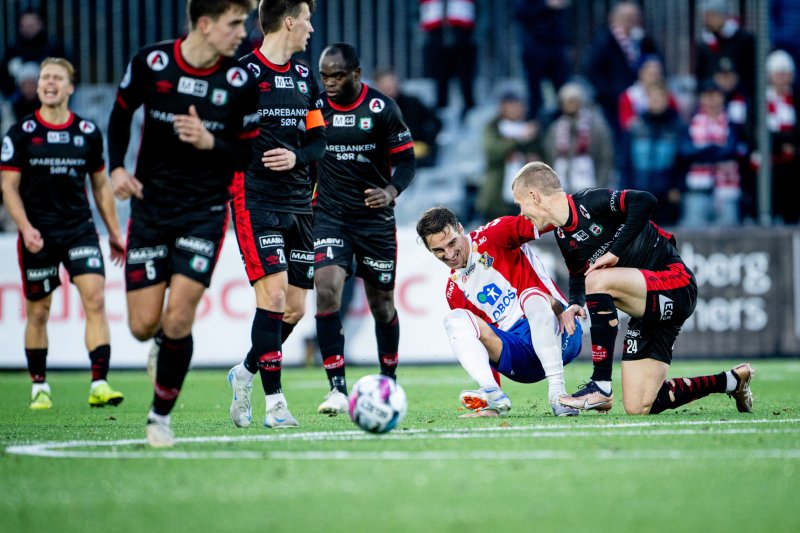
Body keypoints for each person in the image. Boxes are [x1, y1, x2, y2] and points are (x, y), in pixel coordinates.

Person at [107, 0, 260, 447]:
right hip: (151, 209)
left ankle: (160, 416)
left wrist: (211, 140)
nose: (241, 33)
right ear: (205, 24)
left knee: (179, 318)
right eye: (235, 24)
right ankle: (161, 345)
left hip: (205, 211)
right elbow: (120, 115)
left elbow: (246, 155)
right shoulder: (152, 62)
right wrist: (116, 168)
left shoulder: (238, 81)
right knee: (142, 325)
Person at [511, 161, 755, 415]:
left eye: (520, 205)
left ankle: (601, 386)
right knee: (639, 406)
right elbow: (578, 274)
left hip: (675, 284)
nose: (521, 214)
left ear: (534, 196)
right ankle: (732, 381)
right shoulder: (563, 234)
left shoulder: (588, 202)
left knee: (598, 280)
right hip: (646, 308)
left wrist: (615, 253)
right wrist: (574, 302)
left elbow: (645, 201)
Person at [1, 57, 125, 410]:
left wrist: (114, 232)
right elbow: (8, 187)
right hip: (38, 234)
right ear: (38, 86)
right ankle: (39, 387)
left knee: (96, 299)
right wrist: (25, 228)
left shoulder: (86, 132)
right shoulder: (21, 134)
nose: (49, 83)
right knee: (38, 312)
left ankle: (99, 383)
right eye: (44, 78)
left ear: (70, 87)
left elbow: (100, 185)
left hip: (79, 230)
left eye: (57, 78)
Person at [226, 0, 324, 430]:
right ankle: (275, 404)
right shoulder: (243, 75)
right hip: (255, 200)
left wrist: (297, 156)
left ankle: (245, 371)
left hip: (300, 202)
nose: (311, 28)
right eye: (306, 19)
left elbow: (320, 142)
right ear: (289, 21)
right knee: (275, 298)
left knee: (295, 309)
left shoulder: (306, 77)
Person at [312, 43, 416, 415]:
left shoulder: (381, 109)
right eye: (324, 76)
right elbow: (307, 152)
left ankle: (388, 380)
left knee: (381, 305)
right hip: (329, 216)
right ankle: (337, 389)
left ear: (356, 74)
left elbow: (406, 162)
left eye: (337, 76)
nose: (329, 83)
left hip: (374, 222)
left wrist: (390, 191)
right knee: (326, 289)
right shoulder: (316, 108)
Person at [416, 206, 582, 417]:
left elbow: (552, 216)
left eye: (452, 243)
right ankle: (491, 395)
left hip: (561, 329)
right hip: (523, 359)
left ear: (460, 229)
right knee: (455, 319)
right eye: (438, 251)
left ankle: (558, 395)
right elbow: (484, 345)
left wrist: (590, 209)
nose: (449, 254)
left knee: (531, 296)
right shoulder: (454, 291)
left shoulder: (495, 234)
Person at [679, 80, 745, 227]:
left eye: (715, 95)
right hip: (697, 190)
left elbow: (732, 150)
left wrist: (703, 151)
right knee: (694, 237)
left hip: (727, 190)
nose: (711, 101)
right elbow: (685, 152)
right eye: (707, 96)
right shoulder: (691, 123)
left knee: (729, 237)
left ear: (722, 98)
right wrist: (714, 149)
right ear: (701, 99)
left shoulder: (732, 123)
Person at [622, 82, 685, 227]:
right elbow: (625, 163)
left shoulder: (677, 127)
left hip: (667, 196)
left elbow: (683, 162)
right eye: (652, 97)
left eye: (660, 97)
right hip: (639, 193)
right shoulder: (635, 127)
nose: (656, 101)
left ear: (667, 99)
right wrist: (626, 191)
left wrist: (677, 187)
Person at [477, 90, 541, 221]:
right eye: (511, 106)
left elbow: (540, 154)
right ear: (502, 107)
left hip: (524, 194)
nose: (516, 109)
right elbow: (493, 151)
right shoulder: (493, 127)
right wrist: (518, 138)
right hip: (497, 194)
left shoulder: (531, 127)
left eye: (518, 105)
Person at [542, 83, 614, 193]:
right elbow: (549, 157)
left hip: (591, 186)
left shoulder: (596, 126)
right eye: (566, 101)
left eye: (573, 100)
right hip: (562, 189)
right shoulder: (555, 128)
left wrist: (600, 186)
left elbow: (605, 157)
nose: (570, 104)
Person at [513, 0, 571, 121]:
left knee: (563, 91)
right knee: (535, 96)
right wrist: (546, 5)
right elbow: (519, 13)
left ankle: (564, 127)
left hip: (556, 47)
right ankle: (534, 128)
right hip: (535, 47)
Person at [419, 0, 477, 118]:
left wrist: (475, 37)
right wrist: (422, 37)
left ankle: (469, 108)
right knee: (439, 75)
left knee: (465, 76)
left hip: (464, 39)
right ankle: (441, 110)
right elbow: (415, 14)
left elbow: (481, 12)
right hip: (435, 38)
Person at [374, 68, 441, 168]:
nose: (389, 86)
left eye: (392, 81)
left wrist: (425, 138)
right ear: (377, 85)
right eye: (384, 82)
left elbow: (435, 122)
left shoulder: (412, 102)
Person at [764, 49, 799, 225]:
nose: (782, 78)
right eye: (778, 73)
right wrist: (780, 144)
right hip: (769, 166)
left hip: (793, 166)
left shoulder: (795, 100)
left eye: (786, 73)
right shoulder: (762, 100)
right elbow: (759, 132)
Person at [695, 0, 756, 100]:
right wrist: (713, 82)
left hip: (742, 97)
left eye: (711, 15)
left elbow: (752, 74)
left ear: (723, 15)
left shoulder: (745, 40)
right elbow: (700, 76)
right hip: (714, 98)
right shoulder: (704, 44)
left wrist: (735, 81)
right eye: (705, 16)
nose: (707, 20)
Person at [0, 10, 65, 101]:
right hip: (17, 103)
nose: (29, 28)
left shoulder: (54, 49)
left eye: (32, 25)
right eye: (25, 25)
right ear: (20, 27)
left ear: (41, 24)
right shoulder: (12, 51)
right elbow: (4, 78)